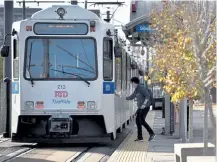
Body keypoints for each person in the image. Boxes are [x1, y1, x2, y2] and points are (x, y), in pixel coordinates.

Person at [126, 77, 155, 142]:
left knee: (141, 120)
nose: (132, 85)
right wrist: (122, 97)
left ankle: (152, 133)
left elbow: (147, 96)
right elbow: (132, 97)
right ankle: (140, 137)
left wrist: (144, 104)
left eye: (132, 83)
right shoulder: (136, 89)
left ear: (134, 82)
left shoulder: (141, 88)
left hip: (145, 107)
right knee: (137, 121)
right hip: (140, 108)